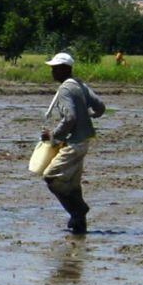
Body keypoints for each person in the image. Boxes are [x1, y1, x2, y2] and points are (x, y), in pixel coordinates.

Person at [40, 52, 105, 235]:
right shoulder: (80, 85)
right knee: (72, 184)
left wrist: (53, 135)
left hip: (74, 143)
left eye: (54, 68)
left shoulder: (65, 90)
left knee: (51, 177)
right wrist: (88, 117)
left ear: (64, 69)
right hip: (84, 140)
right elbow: (100, 107)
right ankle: (79, 230)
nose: (52, 72)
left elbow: (70, 118)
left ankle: (78, 210)